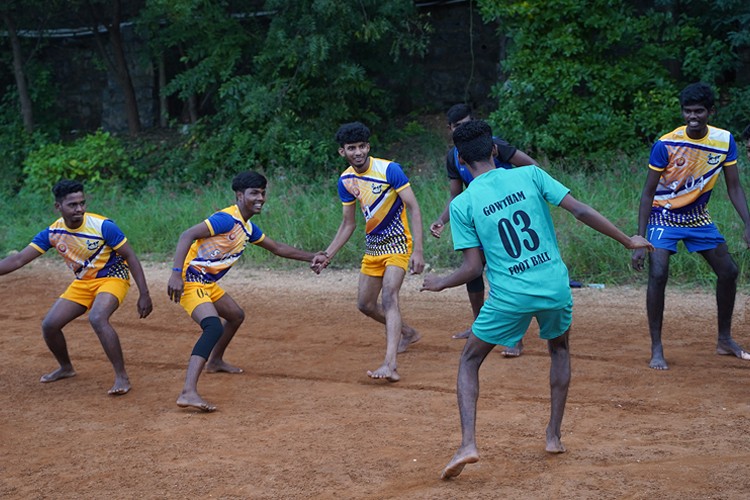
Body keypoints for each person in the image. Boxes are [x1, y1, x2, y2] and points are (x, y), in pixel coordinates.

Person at [421, 120, 653, 480]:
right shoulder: (530, 175)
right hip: (554, 287)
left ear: (461, 161)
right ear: (495, 150)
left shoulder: (463, 204)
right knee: (558, 350)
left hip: (510, 297)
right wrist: (627, 240)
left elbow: (472, 269)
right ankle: (553, 436)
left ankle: (468, 443)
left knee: (469, 361)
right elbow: (580, 210)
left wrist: (438, 283)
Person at [167, 170, 324, 412]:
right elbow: (186, 235)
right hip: (190, 280)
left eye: (262, 193)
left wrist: (313, 257)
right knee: (212, 326)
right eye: (254, 193)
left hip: (207, 283)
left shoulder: (248, 227)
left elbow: (277, 248)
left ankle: (215, 361)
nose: (260, 198)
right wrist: (176, 273)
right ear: (240, 195)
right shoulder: (226, 220)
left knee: (235, 315)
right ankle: (188, 392)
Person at [632, 82, 750, 370]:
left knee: (729, 271)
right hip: (663, 214)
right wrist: (640, 238)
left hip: (698, 217)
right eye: (687, 111)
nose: (692, 117)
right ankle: (657, 347)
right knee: (658, 272)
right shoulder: (666, 143)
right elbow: (648, 193)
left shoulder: (724, 141)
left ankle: (724, 340)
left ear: (711, 111)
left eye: (699, 111)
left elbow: (734, 187)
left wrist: (748, 223)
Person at [0, 179, 153, 395]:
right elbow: (18, 260)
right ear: (58, 207)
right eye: (72, 205)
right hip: (83, 283)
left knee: (98, 317)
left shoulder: (102, 226)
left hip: (113, 277)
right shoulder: (53, 233)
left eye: (82, 203)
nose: (79, 209)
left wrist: (144, 294)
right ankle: (66, 368)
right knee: (50, 325)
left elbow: (131, 256)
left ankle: (122, 377)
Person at [312, 122, 424, 382]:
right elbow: (348, 223)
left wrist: (418, 250)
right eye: (352, 148)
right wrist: (327, 254)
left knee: (389, 298)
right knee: (364, 304)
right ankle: (407, 332)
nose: (358, 152)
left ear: (368, 147)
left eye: (362, 146)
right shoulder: (346, 180)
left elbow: (413, 207)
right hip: (373, 247)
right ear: (343, 152)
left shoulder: (389, 170)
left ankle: (390, 364)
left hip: (398, 244)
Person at [429, 104, 538, 354]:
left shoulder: (492, 145)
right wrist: (442, 220)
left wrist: (523, 197)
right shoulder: (454, 157)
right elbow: (456, 196)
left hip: (509, 213)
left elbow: (532, 168)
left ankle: (514, 337)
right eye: (458, 126)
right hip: (482, 216)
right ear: (450, 130)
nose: (463, 129)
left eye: (467, 123)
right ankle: (481, 326)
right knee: (474, 269)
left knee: (508, 270)